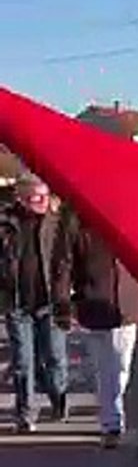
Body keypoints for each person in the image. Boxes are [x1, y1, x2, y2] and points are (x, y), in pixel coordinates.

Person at [53, 210, 138, 449]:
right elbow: (64, 265)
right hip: (94, 303)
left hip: (127, 304)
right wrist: (63, 304)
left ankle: (114, 412)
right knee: (105, 368)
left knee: (121, 365)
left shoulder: (131, 218)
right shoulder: (76, 221)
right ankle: (111, 423)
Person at [0, 175, 70, 433]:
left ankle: (58, 396)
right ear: (22, 198)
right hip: (17, 303)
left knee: (55, 358)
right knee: (22, 362)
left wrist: (67, 293)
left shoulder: (56, 223)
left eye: (44, 196)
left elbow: (66, 258)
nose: (42, 202)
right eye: (35, 198)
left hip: (50, 302)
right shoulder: (7, 223)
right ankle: (25, 414)